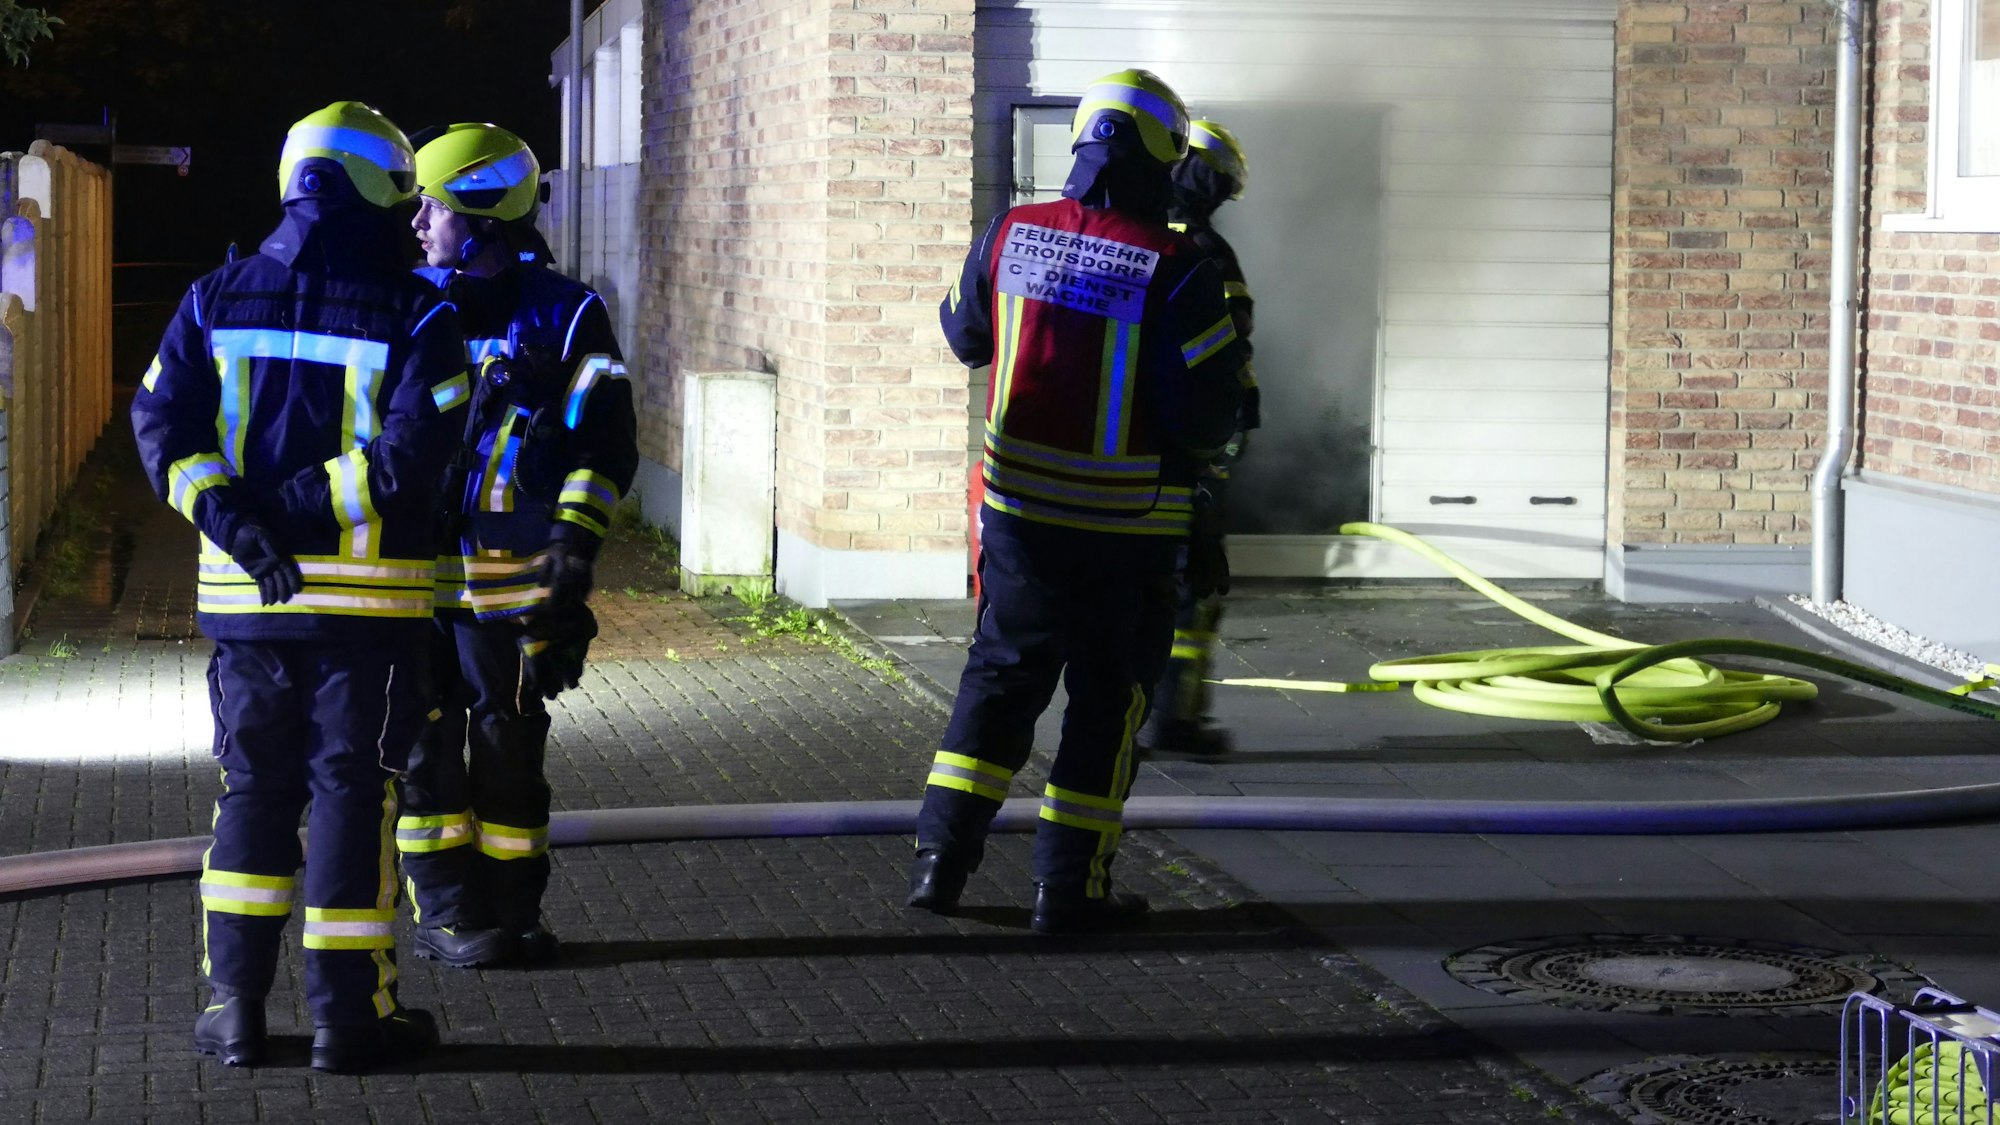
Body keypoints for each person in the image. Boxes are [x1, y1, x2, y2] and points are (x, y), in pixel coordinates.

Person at [130, 101, 466, 1073]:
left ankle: (234, 1013)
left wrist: (243, 522)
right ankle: (347, 1022)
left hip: (248, 606)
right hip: (369, 612)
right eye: (401, 194)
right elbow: (410, 459)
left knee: (253, 794)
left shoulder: (211, 298)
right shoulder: (424, 316)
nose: (412, 219)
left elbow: (160, 430)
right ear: (364, 186)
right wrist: (296, 509)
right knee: (352, 800)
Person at [907, 69, 1248, 934]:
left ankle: (940, 865)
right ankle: (1069, 889)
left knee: (996, 685)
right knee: (1106, 704)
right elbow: (1209, 418)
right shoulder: (1180, 268)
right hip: (1128, 533)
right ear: (1166, 159)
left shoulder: (1010, 231)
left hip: (1019, 524)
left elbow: (963, 335)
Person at [394, 122, 637, 969]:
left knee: (508, 752)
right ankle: (452, 912)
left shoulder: (571, 318)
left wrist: (573, 550)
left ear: (487, 217)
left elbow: (606, 449)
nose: (418, 223)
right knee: (426, 753)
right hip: (410, 583)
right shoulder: (408, 303)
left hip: (511, 586)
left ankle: (514, 912)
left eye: (433, 206)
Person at [1143, 119, 1258, 758]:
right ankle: (1176, 720)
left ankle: (1119, 723)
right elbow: (1224, 362)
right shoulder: (1206, 253)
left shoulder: (1128, 237)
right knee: (1194, 589)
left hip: (1123, 452)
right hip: (1191, 452)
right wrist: (1217, 463)